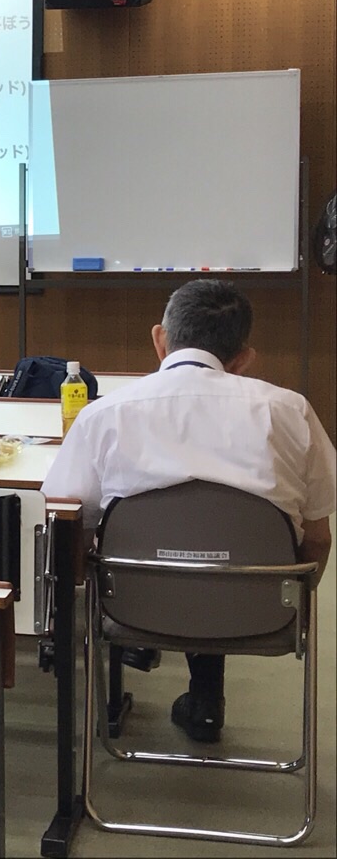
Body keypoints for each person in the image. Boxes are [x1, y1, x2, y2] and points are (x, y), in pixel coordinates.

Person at [42, 278, 335, 743]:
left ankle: (145, 651)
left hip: (133, 605)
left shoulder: (103, 415)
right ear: (243, 359)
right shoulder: (290, 412)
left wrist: (98, 582)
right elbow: (318, 538)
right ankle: (206, 699)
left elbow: (66, 523)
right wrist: (292, 595)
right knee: (219, 544)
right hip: (261, 612)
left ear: (160, 339)